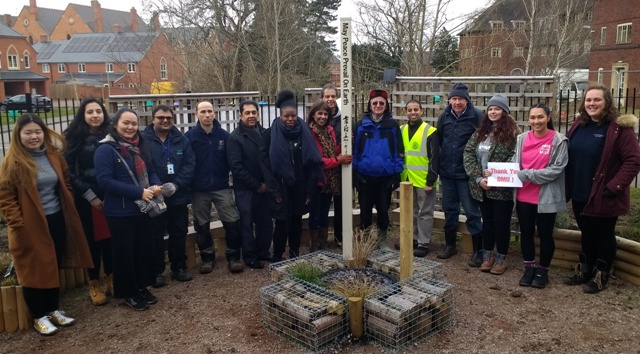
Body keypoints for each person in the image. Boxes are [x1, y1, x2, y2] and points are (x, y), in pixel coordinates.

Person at [0, 114, 92, 335]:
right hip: (29, 225)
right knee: (32, 270)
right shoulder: (13, 161)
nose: (34, 137)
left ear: (44, 133)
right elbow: (5, 196)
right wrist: (18, 223)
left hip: (56, 219)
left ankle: (53, 309)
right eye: (28, 132)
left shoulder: (53, 155)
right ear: (18, 135)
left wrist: (68, 199)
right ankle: (38, 316)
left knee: (53, 263)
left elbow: (66, 181)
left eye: (37, 132)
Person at [564, 85, 640, 293]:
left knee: (603, 234)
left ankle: (601, 275)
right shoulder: (579, 125)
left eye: (597, 100)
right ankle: (586, 270)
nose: (592, 104)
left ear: (607, 102)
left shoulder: (619, 129)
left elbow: (633, 161)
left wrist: (613, 187)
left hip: (604, 194)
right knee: (586, 232)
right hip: (580, 190)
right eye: (588, 100)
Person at [94, 108, 163, 311]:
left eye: (134, 123)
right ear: (115, 125)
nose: (130, 127)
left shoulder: (140, 146)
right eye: (126, 123)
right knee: (125, 253)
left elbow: (151, 171)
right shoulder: (105, 150)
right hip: (121, 212)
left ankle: (141, 286)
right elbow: (105, 181)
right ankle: (127, 292)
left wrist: (155, 186)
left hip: (143, 209)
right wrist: (138, 192)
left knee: (142, 250)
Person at [63, 98, 113, 306]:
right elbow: (69, 172)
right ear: (83, 115)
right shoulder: (75, 138)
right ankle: (93, 283)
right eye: (90, 112)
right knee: (92, 241)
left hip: (111, 193)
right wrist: (90, 196)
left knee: (111, 238)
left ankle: (111, 277)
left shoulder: (111, 134)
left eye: (98, 111)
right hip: (87, 198)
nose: (95, 115)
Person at [185, 101, 244, 272]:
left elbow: (231, 160)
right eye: (203, 111)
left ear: (215, 113)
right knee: (201, 225)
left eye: (210, 111)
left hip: (221, 186)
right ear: (196, 114)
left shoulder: (224, 136)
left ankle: (233, 257)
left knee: (232, 221)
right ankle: (207, 258)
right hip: (199, 189)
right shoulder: (190, 137)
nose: (207, 115)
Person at [514, 104, 568, 288]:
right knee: (526, 234)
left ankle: (543, 270)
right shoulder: (521, 139)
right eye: (533, 118)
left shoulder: (559, 140)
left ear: (548, 118)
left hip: (546, 197)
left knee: (545, 235)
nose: (536, 121)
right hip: (523, 196)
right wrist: (495, 173)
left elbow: (556, 170)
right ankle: (528, 268)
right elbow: (514, 164)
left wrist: (528, 174)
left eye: (540, 117)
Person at [463, 94, 519, 274]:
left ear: (504, 112)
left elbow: (516, 157)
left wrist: (497, 172)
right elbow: (468, 154)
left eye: (497, 108)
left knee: (501, 223)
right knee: (487, 222)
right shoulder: (480, 132)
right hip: (482, 187)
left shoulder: (513, 134)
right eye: (491, 109)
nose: (493, 112)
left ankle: (501, 257)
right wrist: (479, 178)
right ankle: (488, 255)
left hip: (502, 189)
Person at [142, 105, 195, 286]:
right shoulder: (143, 140)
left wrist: (177, 184)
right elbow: (144, 167)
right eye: (160, 117)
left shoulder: (181, 140)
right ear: (152, 119)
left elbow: (190, 164)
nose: (165, 121)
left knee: (178, 233)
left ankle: (179, 267)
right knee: (155, 234)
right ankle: (156, 271)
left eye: (168, 118)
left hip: (178, 195)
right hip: (155, 197)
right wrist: (156, 187)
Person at [268, 90, 324, 262]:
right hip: (281, 186)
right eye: (286, 116)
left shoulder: (304, 131)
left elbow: (312, 164)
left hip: (300, 185)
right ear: (280, 116)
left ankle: (294, 253)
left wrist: (309, 192)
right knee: (282, 223)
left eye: (293, 116)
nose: (290, 119)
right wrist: (275, 191)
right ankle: (277, 255)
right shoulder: (271, 133)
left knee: (297, 222)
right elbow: (267, 166)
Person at [436, 83, 483, 264]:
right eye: (454, 99)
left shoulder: (476, 116)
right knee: (450, 210)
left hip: (467, 174)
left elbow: (483, 142)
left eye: (460, 99)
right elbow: (440, 140)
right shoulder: (444, 116)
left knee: (472, 211)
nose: (457, 102)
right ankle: (450, 245)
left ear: (467, 100)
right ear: (449, 100)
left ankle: (477, 250)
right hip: (447, 172)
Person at [227, 100, 277, 267]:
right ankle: (249, 256)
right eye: (247, 113)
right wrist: (257, 185)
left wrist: (268, 182)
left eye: (254, 112)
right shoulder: (235, 137)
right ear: (240, 115)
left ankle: (263, 251)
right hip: (246, 189)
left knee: (265, 222)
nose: (251, 116)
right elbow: (236, 167)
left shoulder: (265, 133)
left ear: (258, 114)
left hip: (265, 186)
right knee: (246, 223)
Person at [353, 89, 404, 247]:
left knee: (383, 211)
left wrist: (397, 174)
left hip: (385, 177)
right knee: (365, 212)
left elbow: (399, 151)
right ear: (370, 104)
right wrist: (355, 172)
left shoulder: (393, 126)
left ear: (386, 105)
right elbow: (354, 150)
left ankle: (382, 242)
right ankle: (366, 243)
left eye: (381, 103)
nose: (378, 105)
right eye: (375, 103)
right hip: (365, 176)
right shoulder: (361, 125)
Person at [306, 99, 352, 251]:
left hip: (329, 181)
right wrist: (337, 161)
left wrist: (344, 145)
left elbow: (332, 152)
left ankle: (323, 244)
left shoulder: (330, 131)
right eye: (319, 113)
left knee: (325, 213)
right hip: (316, 180)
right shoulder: (309, 133)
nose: (323, 117)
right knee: (315, 214)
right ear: (313, 115)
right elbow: (317, 161)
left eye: (326, 114)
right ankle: (314, 246)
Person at [395, 100, 438, 257]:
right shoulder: (401, 130)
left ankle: (423, 242)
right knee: (409, 211)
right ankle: (411, 238)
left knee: (425, 212)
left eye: (416, 110)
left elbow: (435, 159)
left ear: (422, 111)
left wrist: (430, 181)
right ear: (405, 112)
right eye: (409, 110)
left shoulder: (430, 131)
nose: (413, 112)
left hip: (424, 180)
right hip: (407, 179)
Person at [321, 84, 345, 246]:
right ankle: (321, 240)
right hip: (324, 170)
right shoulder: (319, 117)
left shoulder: (344, 118)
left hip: (341, 169)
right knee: (322, 206)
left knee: (340, 205)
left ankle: (339, 237)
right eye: (327, 96)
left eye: (332, 96)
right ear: (322, 98)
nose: (330, 99)